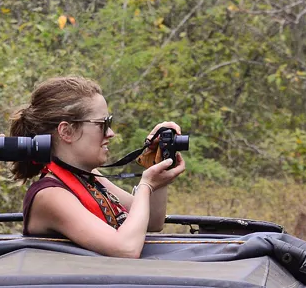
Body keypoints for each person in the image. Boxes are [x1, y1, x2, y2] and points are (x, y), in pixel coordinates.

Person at [10, 75, 187, 257]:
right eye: (103, 124)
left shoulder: (88, 177)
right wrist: (145, 186)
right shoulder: (50, 194)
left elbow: (152, 222)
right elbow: (125, 248)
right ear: (66, 131)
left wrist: (158, 166)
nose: (111, 133)